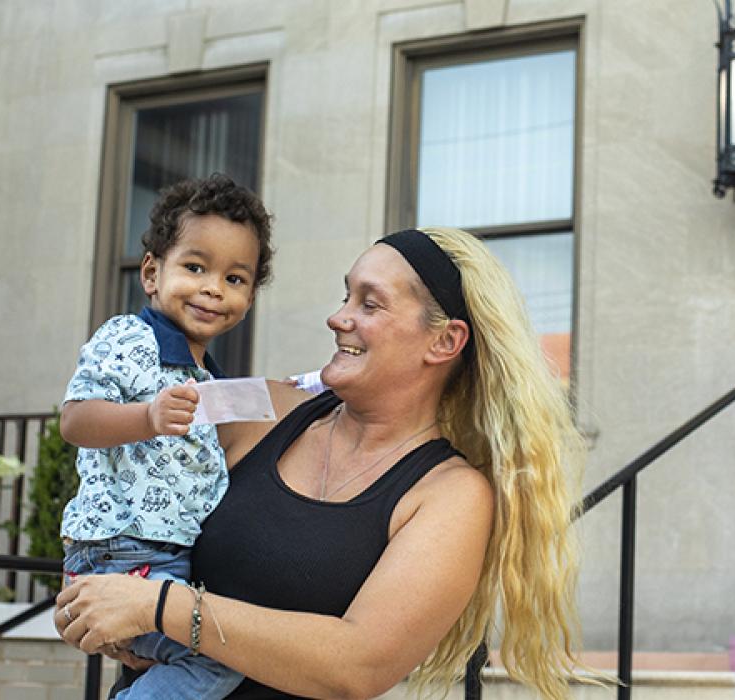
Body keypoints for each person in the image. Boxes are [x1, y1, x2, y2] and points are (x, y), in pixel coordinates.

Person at [55, 227, 592, 699]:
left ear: (444, 340)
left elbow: (357, 664)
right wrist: (92, 583)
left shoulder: (451, 495)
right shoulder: (259, 404)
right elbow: (126, 452)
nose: (338, 318)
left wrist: (160, 607)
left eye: (370, 304)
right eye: (345, 295)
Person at [55, 173, 274, 699]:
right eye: (195, 267)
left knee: (202, 651)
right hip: (124, 551)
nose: (212, 289)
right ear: (152, 272)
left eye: (235, 278)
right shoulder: (129, 338)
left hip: (162, 556)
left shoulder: (207, 378)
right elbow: (75, 420)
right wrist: (146, 417)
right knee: (221, 655)